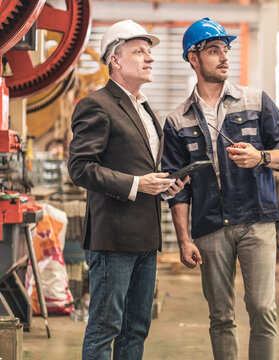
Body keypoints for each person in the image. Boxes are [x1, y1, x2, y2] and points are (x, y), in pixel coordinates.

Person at [161, 17, 279, 360]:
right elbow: (177, 188)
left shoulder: (256, 101)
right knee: (220, 316)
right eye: (213, 50)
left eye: (225, 49)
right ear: (193, 59)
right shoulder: (178, 120)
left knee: (262, 308)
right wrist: (183, 239)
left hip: (256, 219)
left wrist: (261, 156)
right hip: (210, 226)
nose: (224, 57)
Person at [68, 20, 186, 360]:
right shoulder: (97, 105)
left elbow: (143, 169)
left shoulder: (147, 109)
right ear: (114, 60)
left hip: (146, 237)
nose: (149, 58)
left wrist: (165, 185)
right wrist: (136, 184)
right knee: (106, 328)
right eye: (139, 51)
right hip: (113, 240)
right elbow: (80, 168)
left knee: (136, 329)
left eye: (150, 52)